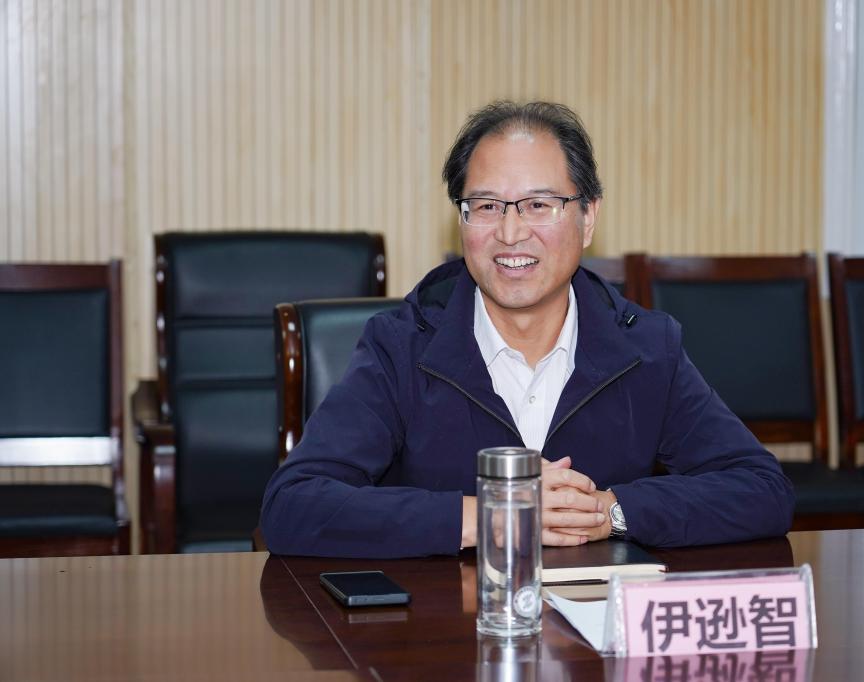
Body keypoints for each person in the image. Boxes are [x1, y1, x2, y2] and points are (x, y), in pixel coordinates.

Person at [260, 101, 795, 559]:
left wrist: (610, 511)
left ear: (588, 218)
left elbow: (762, 490)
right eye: (486, 206)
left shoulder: (647, 349)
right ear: (462, 219)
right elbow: (294, 505)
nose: (511, 232)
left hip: (595, 630)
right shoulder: (402, 345)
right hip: (444, 627)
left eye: (539, 205)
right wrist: (496, 514)